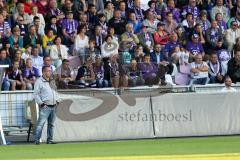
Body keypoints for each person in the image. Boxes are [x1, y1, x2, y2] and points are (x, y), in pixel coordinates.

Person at [34, 65, 59, 145]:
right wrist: (41, 104)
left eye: (50, 71)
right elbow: (36, 94)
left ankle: (50, 140)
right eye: (48, 71)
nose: (50, 72)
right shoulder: (39, 81)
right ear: (43, 72)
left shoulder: (52, 81)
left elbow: (55, 91)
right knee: (40, 124)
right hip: (45, 106)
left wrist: (57, 100)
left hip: (54, 105)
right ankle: (37, 141)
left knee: (51, 125)